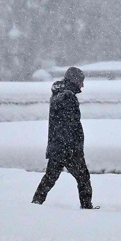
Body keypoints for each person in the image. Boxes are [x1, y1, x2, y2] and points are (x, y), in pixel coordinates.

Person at [32, 66, 97, 209]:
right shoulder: (68, 97)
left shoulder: (58, 94)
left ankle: (36, 202)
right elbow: (70, 125)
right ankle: (87, 207)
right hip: (68, 148)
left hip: (58, 146)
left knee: (50, 177)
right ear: (75, 80)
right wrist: (73, 148)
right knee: (83, 178)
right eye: (81, 81)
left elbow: (61, 124)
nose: (82, 85)